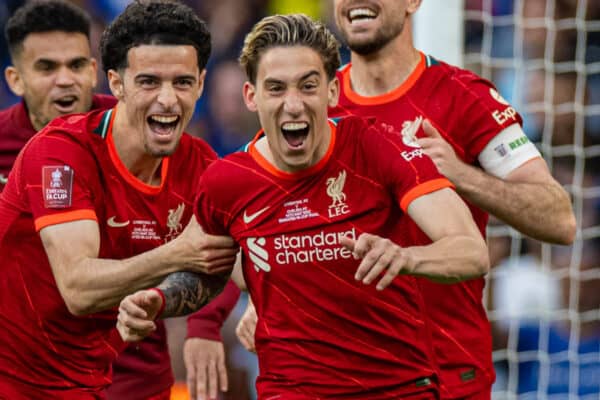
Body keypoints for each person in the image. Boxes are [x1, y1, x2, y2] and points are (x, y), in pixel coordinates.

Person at [196, 0, 578, 399]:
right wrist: (270, 293)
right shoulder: (306, 99)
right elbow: (266, 220)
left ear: (414, 2)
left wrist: (461, 175)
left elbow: (560, 219)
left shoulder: (464, 97)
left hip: (450, 373)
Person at [117, 13, 490, 399]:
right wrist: (158, 300)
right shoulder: (226, 182)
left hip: (397, 389)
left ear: (331, 91)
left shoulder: (379, 147)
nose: (293, 105)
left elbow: (470, 251)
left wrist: (407, 259)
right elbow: (205, 269)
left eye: (307, 86)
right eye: (276, 88)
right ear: (251, 96)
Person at [0, 0, 239, 398]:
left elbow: (226, 264)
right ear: (115, 82)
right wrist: (177, 254)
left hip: (123, 375)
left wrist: (165, 302)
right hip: (23, 384)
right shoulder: (59, 151)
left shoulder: (199, 165)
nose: (167, 99)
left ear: (201, 83)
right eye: (148, 82)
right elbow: (77, 288)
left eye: (182, 82)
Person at [0, 0, 114, 191]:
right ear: (16, 80)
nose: (65, 80)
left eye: (76, 65)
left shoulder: (128, 127)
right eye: (47, 68)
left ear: (93, 72)